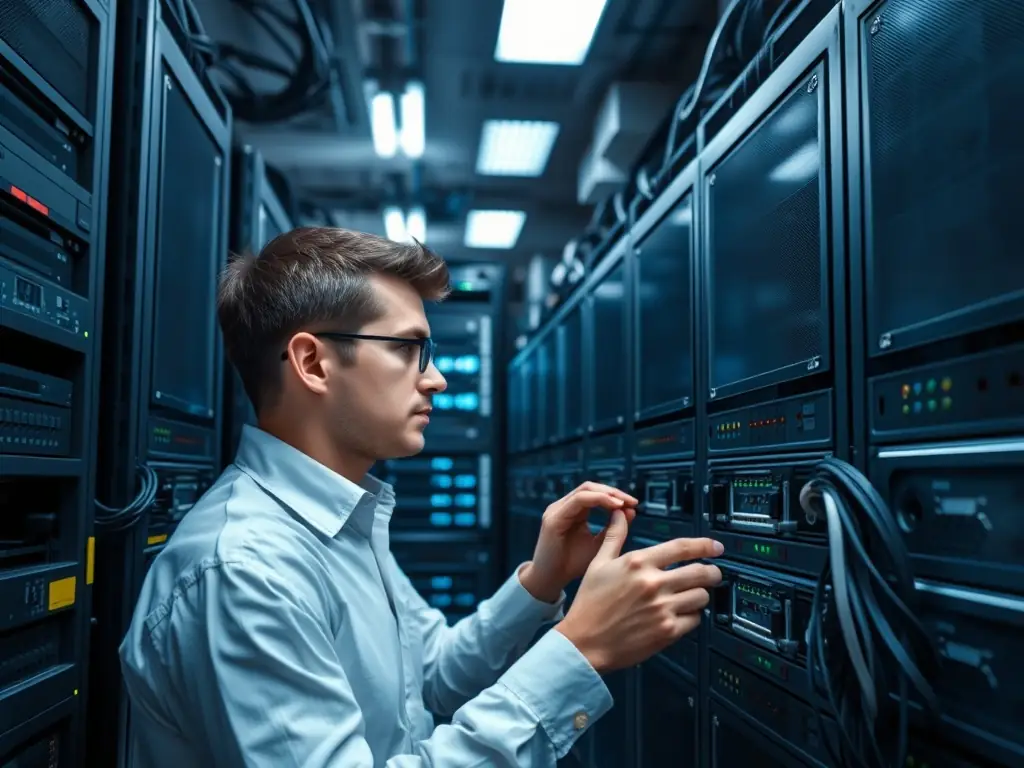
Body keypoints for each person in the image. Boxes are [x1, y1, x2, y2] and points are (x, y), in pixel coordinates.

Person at [119, 227, 724, 767]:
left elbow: (428, 677)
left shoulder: (339, 520)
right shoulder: (248, 571)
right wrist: (579, 649)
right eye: (410, 349)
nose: (435, 377)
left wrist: (542, 582)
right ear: (313, 363)